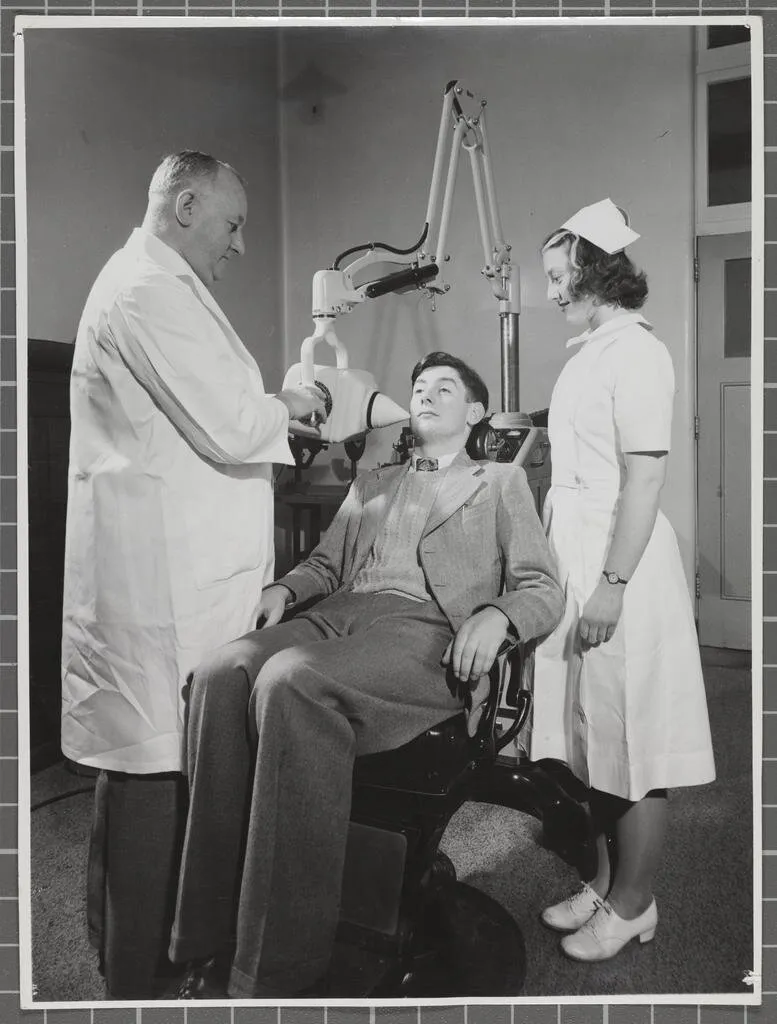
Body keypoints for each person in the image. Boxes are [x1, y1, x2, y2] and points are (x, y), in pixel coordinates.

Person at [168, 351, 565, 999]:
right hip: (342, 616)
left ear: (473, 413)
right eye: (419, 387)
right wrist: (285, 589)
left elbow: (540, 587)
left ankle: (274, 966)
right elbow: (325, 566)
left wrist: (497, 615)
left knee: (290, 680)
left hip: (426, 630)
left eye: (445, 388)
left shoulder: (497, 484)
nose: (426, 394)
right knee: (222, 670)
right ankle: (206, 928)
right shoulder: (374, 482)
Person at [61, 150, 327, 998]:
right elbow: (227, 422)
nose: (241, 244)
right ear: (183, 205)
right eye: (233, 223)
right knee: (148, 774)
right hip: (159, 589)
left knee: (151, 767)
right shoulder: (143, 290)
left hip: (179, 575)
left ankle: (135, 953)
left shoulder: (161, 285)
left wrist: (271, 411)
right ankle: (137, 980)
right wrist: (294, 402)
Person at [529, 198, 716, 962]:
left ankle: (636, 904)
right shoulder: (591, 351)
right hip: (577, 552)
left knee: (633, 735)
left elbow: (643, 482)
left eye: (554, 275)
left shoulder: (638, 352)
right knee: (589, 733)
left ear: (589, 269)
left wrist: (610, 584)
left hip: (621, 560)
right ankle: (606, 887)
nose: (547, 292)